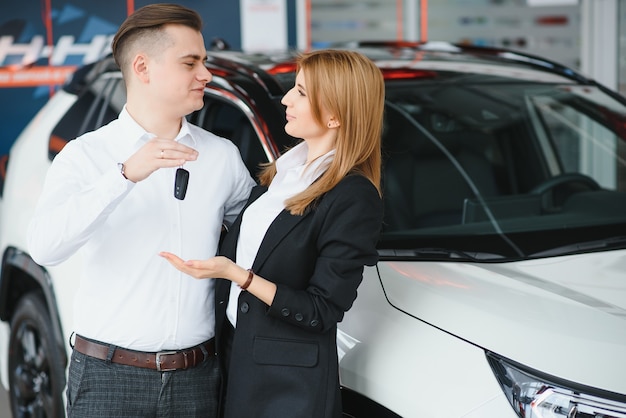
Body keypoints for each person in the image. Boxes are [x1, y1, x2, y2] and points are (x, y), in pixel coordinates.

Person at [27, 4, 255, 417]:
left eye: (204, 62)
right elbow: (46, 248)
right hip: (107, 379)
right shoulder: (85, 156)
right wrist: (125, 175)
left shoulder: (221, 156)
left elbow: (258, 233)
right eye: (191, 62)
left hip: (198, 378)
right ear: (143, 67)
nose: (206, 74)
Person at [160, 49, 385, 418]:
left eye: (300, 92)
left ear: (334, 115)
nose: (286, 99)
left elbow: (321, 310)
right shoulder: (284, 173)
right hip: (235, 356)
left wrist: (238, 276)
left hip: (286, 386)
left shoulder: (353, 195)